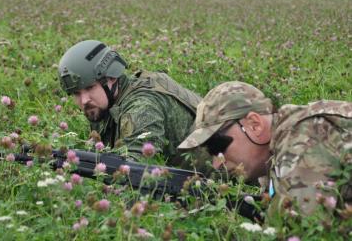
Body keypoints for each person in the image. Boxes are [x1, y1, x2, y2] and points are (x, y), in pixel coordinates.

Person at [178, 81, 352, 218]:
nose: (217, 163)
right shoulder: (275, 157)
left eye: (218, 146)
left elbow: (304, 228)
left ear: (254, 125)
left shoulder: (303, 136)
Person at [58, 40, 203, 165]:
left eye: (90, 87)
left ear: (112, 78)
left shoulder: (141, 107)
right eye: (76, 93)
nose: (84, 100)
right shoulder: (106, 103)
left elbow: (134, 168)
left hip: (212, 174)